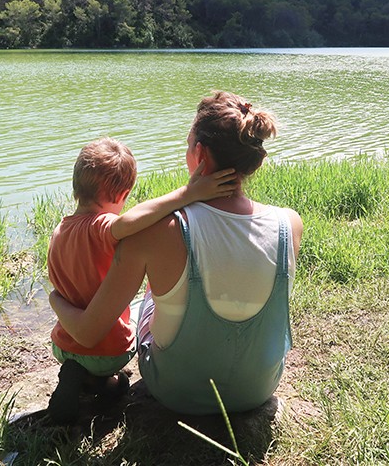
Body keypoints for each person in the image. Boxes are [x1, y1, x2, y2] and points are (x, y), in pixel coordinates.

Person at [50, 92, 304, 415]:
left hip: (177, 392)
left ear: (199, 154)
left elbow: (86, 332)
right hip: (258, 388)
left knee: (149, 296)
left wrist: (54, 300)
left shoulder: (160, 232)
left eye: (187, 145)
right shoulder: (289, 224)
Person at [46, 137, 235, 424]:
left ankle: (79, 373)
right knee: (139, 312)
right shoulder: (100, 227)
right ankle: (106, 383)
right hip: (108, 352)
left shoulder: (60, 230)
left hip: (63, 345)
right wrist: (188, 193)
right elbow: (127, 223)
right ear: (122, 194)